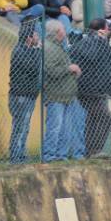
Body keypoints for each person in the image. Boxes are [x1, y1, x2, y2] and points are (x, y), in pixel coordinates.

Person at [71, 19, 111, 157]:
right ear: (101, 29)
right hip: (89, 89)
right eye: (108, 28)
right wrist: (99, 39)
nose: (109, 31)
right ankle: (95, 150)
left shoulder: (101, 43)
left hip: (97, 89)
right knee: (106, 118)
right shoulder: (87, 41)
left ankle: (90, 151)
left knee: (93, 120)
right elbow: (91, 56)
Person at [42, 19, 84, 162]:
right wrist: (69, 68)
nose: (65, 32)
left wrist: (73, 70)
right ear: (58, 32)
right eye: (63, 29)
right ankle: (49, 155)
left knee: (65, 128)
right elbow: (51, 71)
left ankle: (61, 155)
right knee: (55, 127)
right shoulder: (49, 47)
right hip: (56, 95)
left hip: (66, 94)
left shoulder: (59, 46)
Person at [8, 19, 43, 164]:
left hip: (28, 94)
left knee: (24, 127)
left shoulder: (26, 50)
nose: (37, 38)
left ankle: (20, 154)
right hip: (21, 95)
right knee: (20, 127)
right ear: (29, 38)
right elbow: (33, 67)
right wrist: (38, 50)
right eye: (35, 35)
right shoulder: (19, 51)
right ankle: (16, 157)